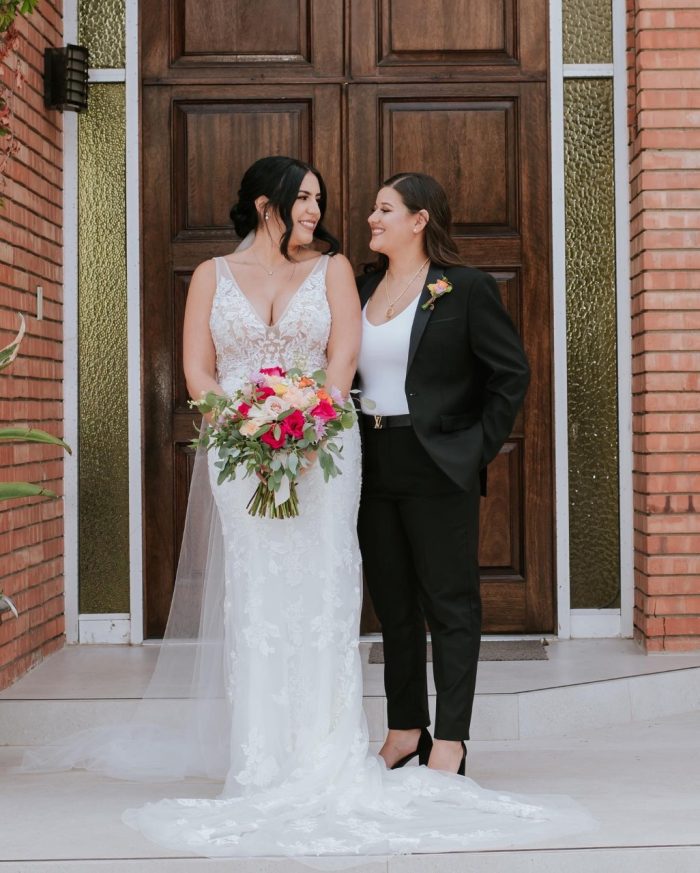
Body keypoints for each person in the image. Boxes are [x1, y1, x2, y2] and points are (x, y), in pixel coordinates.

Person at [20, 157, 591, 859]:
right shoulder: (329, 280)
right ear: (268, 204)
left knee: (404, 598)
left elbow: (350, 368)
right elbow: (203, 370)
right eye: (308, 199)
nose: (327, 211)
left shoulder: (383, 278)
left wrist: (455, 445)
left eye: (337, 201)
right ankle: (361, 736)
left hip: (345, 452)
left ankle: (442, 738)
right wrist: (243, 422)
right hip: (293, 452)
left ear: (417, 221)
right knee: (327, 600)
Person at [356, 172, 530, 776]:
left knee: (450, 604)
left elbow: (511, 374)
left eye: (384, 209)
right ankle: (406, 730)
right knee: (393, 607)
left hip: (436, 463)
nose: (372, 220)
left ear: (419, 219)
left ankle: (451, 741)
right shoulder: (361, 287)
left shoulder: (466, 289)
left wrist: (474, 447)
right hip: (369, 463)